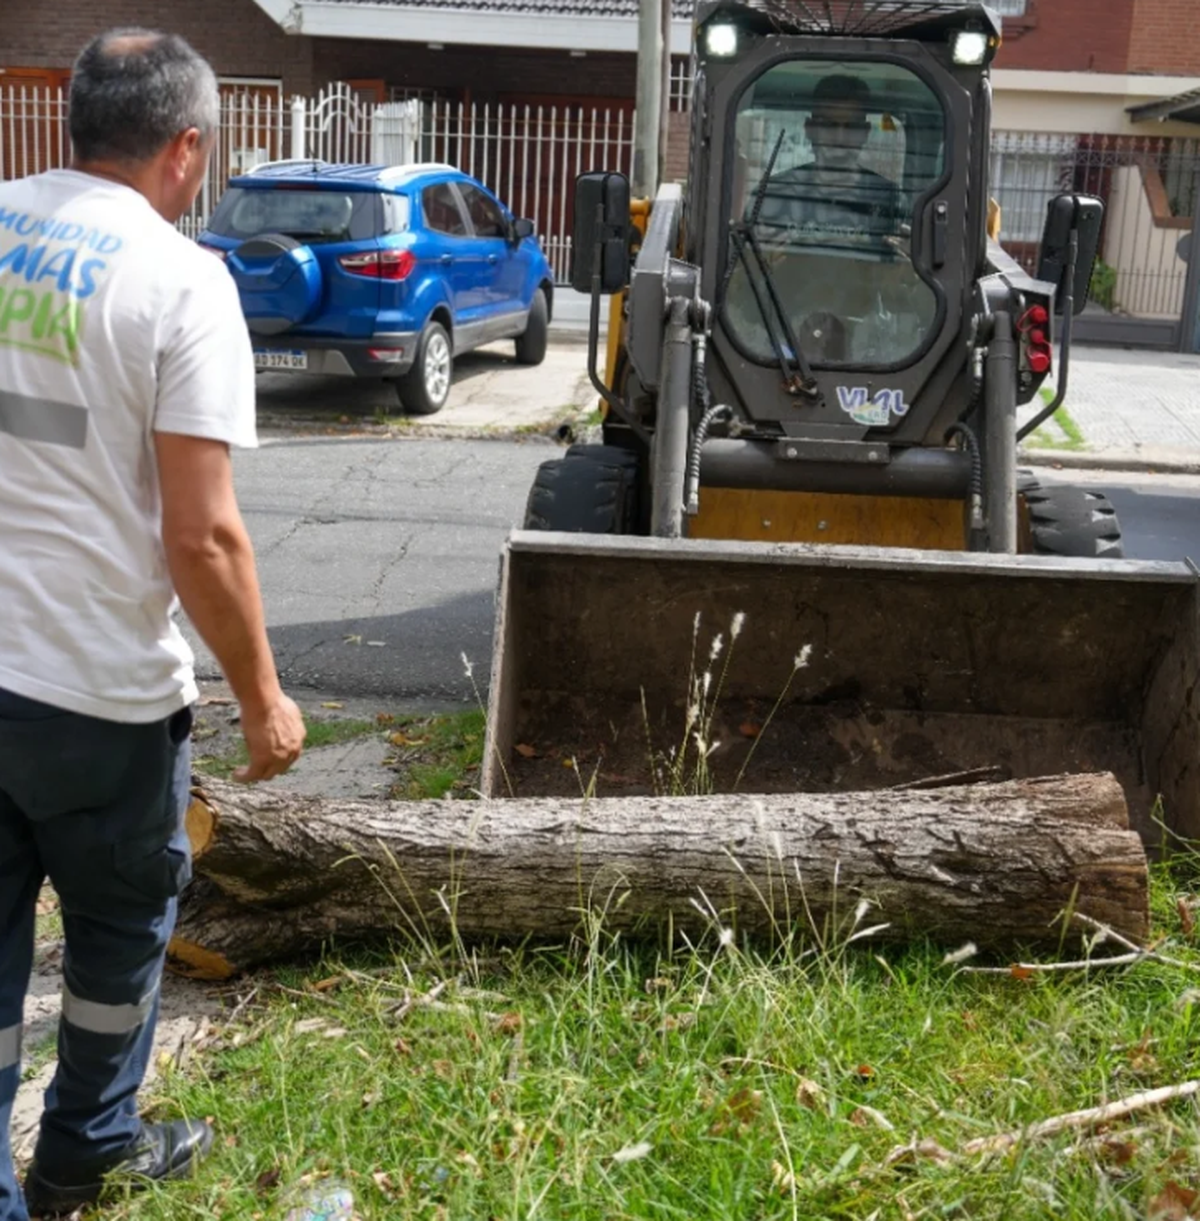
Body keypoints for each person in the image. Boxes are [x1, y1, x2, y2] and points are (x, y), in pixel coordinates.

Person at [0, 29, 307, 1220]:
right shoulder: (181, 282)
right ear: (187, 148)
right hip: (96, 698)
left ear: (73, 120)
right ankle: (83, 1155)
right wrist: (267, 697)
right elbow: (205, 538)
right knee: (121, 937)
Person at [754, 73, 901, 239]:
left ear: (865, 132)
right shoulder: (771, 194)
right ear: (810, 128)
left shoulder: (888, 198)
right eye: (829, 125)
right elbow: (742, 257)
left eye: (851, 127)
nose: (840, 138)